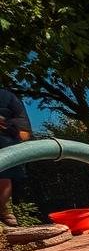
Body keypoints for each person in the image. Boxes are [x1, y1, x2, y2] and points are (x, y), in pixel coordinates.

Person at [0, 87, 33, 227]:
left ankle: (4, 213)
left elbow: (24, 134)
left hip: (5, 148)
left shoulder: (7, 98)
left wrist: (6, 125)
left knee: (4, 176)